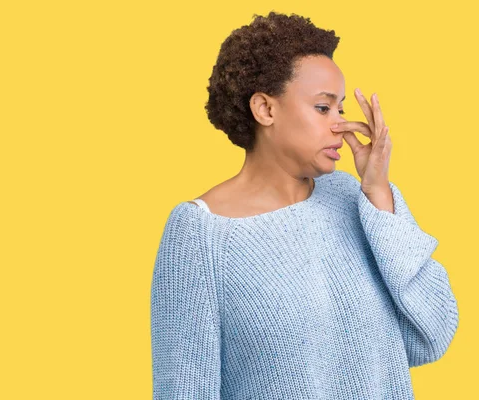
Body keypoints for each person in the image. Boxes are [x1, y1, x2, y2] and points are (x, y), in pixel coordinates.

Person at [150, 11, 459, 399]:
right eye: (323, 108)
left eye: (341, 109)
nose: (340, 125)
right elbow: (184, 390)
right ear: (265, 109)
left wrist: (379, 195)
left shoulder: (355, 199)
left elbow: (431, 335)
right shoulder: (200, 234)